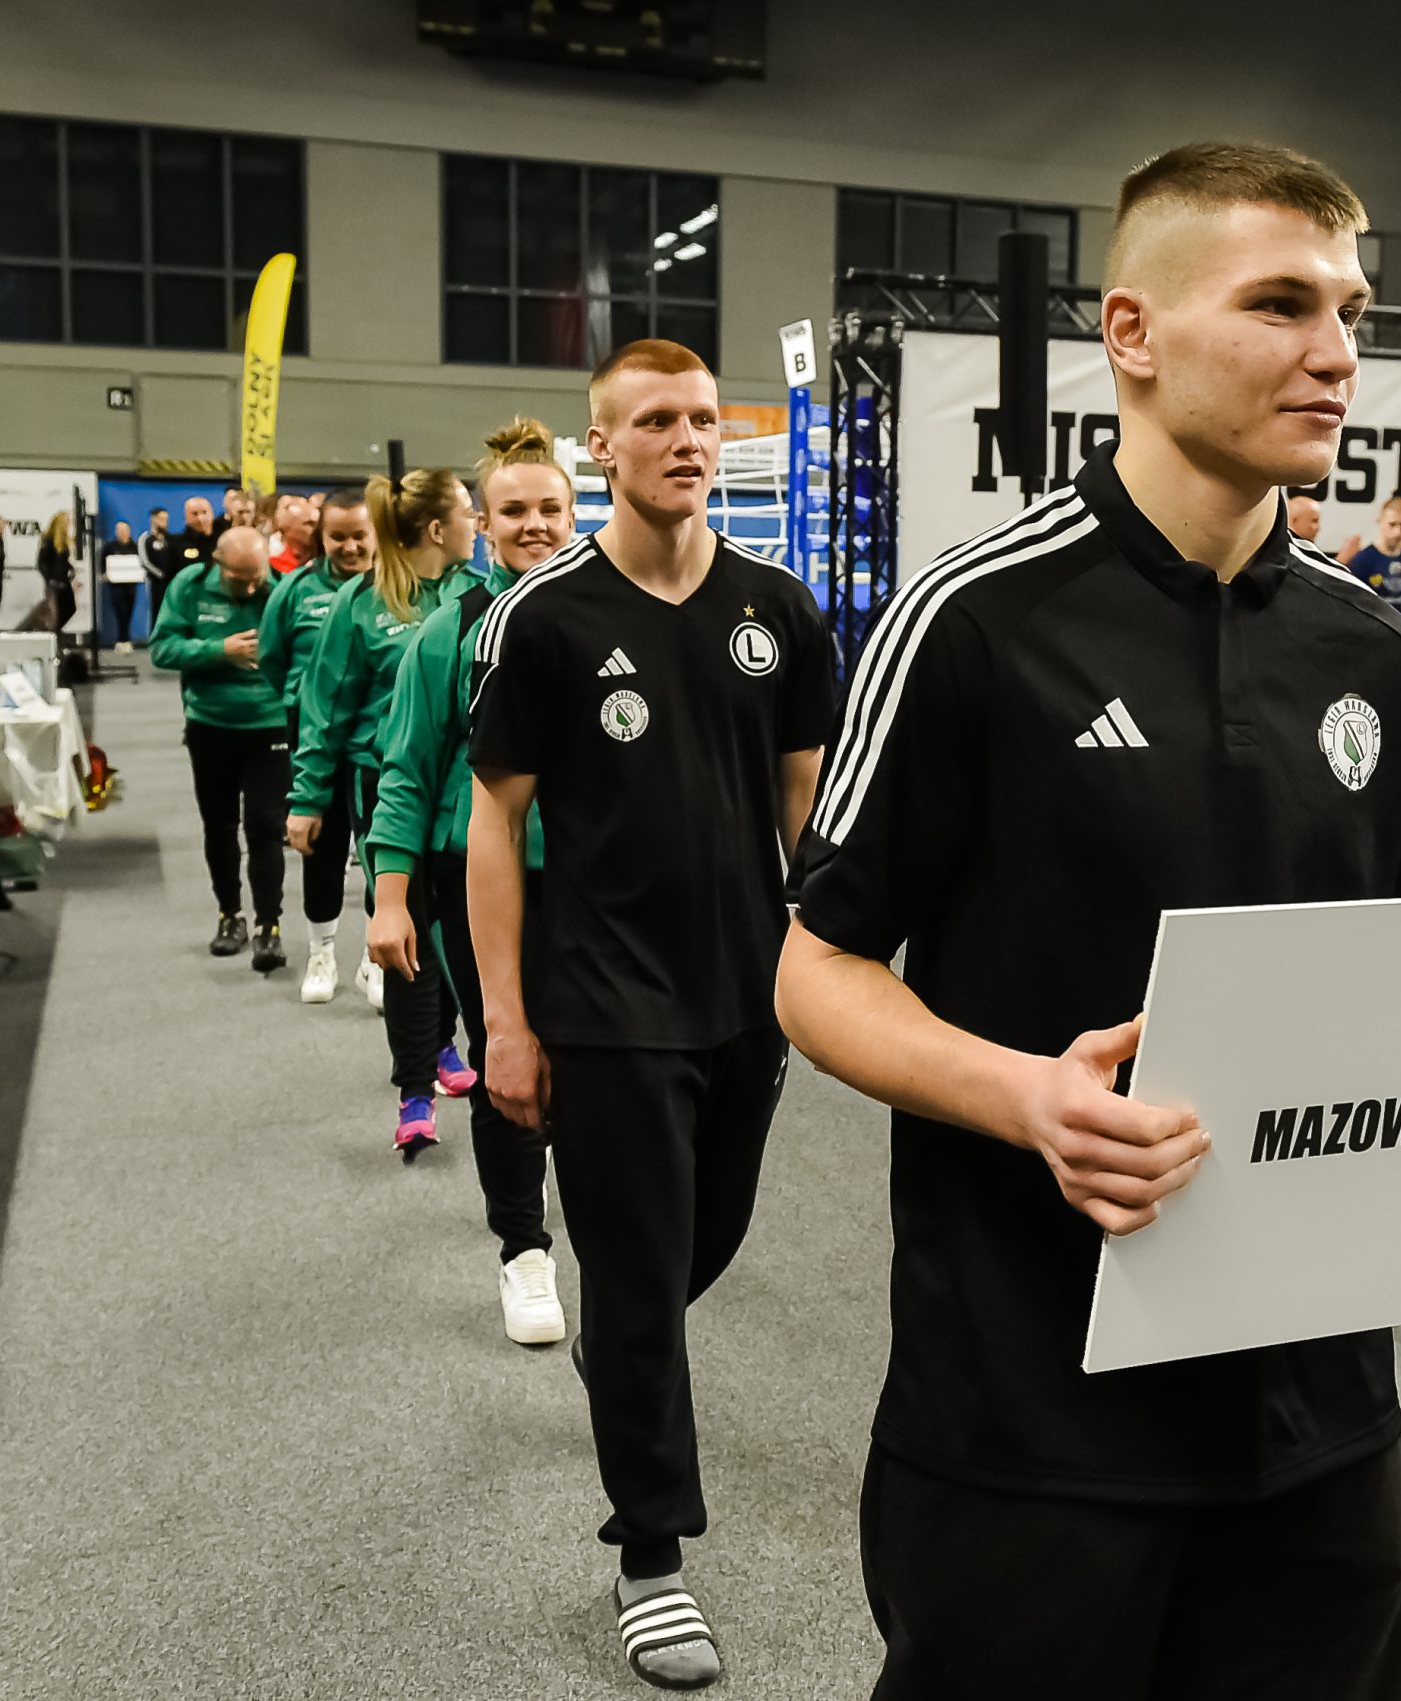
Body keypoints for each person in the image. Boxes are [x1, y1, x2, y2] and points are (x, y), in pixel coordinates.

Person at [772, 139, 1401, 1701]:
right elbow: (816, 967)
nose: (1336, 353)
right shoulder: (975, 620)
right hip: (1031, 1413)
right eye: (1281, 305)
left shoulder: (1376, 656)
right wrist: (1032, 1099)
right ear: (1132, 332)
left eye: (1351, 312)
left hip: (1321, 1434)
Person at [467, 339, 835, 1690]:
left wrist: (831, 967)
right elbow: (494, 827)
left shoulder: (779, 608)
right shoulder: (544, 619)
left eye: (701, 420)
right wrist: (506, 1022)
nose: (686, 440)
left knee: (692, 1253)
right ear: (601, 448)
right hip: (605, 1005)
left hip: (748, 999)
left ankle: (623, 1349)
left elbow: (806, 806)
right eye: (656, 421)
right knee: (637, 1289)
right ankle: (651, 1556)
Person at [363, 417, 573, 1343]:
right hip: (478, 880)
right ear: (482, 526)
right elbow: (406, 771)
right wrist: (391, 896)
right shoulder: (446, 637)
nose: (535, 525)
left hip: (597, 883)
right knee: (505, 1057)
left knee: (603, 1064)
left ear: (575, 513)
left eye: (550, 508)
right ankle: (524, 1251)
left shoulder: (613, 617)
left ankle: (603, 1233)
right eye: (513, 511)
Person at [287, 470, 487, 1157]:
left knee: (458, 931)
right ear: (437, 528)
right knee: (406, 936)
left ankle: (443, 1044)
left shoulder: (476, 594)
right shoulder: (362, 602)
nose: (477, 523)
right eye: (468, 512)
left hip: (462, 794)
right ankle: (414, 1090)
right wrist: (307, 796)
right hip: (387, 788)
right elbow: (324, 705)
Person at [259, 489, 378, 1006]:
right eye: (338, 537)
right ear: (320, 538)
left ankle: (375, 958)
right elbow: (271, 656)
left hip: (376, 736)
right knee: (322, 846)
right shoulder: (295, 589)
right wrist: (305, 699)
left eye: (360, 536)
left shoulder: (394, 589)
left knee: (380, 850)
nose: (350, 547)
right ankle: (321, 953)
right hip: (313, 731)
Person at [150, 525, 288, 967]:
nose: (248, 588)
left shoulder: (283, 589)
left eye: (255, 577)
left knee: (266, 827)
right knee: (219, 825)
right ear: (218, 564)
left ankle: (269, 925)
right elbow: (162, 649)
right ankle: (230, 915)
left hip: (270, 724)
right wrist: (218, 650)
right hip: (210, 724)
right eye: (237, 579)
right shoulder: (189, 586)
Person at [1344, 494, 1401, 621]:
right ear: (1380, 520)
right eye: (1392, 524)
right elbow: (1355, 606)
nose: (1397, 532)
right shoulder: (1363, 561)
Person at [100, 519, 144, 650]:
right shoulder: (110, 547)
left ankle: (125, 639)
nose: (122, 533)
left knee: (128, 611)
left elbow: (141, 563)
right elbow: (103, 563)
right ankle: (122, 639)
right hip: (116, 585)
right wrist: (105, 573)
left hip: (131, 584)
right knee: (120, 611)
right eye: (119, 530)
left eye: (124, 530)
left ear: (129, 531)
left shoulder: (135, 547)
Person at [37, 511, 78, 636]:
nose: (68, 525)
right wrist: (48, 579)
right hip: (53, 582)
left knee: (70, 608)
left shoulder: (64, 542)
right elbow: (41, 563)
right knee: (54, 614)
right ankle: (52, 635)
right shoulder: (49, 540)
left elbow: (62, 560)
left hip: (64, 580)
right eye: (66, 522)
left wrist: (70, 568)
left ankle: (55, 633)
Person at [138, 504, 177, 634]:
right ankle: (155, 638)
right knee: (156, 610)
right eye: (161, 519)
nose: (164, 522)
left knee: (171, 610)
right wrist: (160, 574)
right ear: (153, 519)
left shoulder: (171, 539)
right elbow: (144, 562)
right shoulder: (146, 538)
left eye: (166, 519)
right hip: (155, 582)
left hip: (171, 582)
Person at [168, 495, 219, 594]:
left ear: (212, 514)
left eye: (204, 512)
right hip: (188, 597)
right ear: (186, 518)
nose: (200, 519)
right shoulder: (175, 544)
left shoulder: (223, 542)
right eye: (194, 514)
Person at [268, 493, 316, 575]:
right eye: (309, 523)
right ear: (290, 528)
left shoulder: (327, 563)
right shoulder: (275, 567)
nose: (316, 529)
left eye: (318, 523)